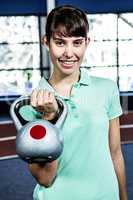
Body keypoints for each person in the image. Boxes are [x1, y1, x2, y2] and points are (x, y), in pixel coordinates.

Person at [19, 5, 128, 200]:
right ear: (46, 42)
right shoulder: (31, 105)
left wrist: (123, 196)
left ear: (87, 42)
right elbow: (45, 177)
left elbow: (116, 153)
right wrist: (51, 117)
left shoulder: (107, 89)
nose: (69, 53)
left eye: (77, 42)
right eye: (60, 43)